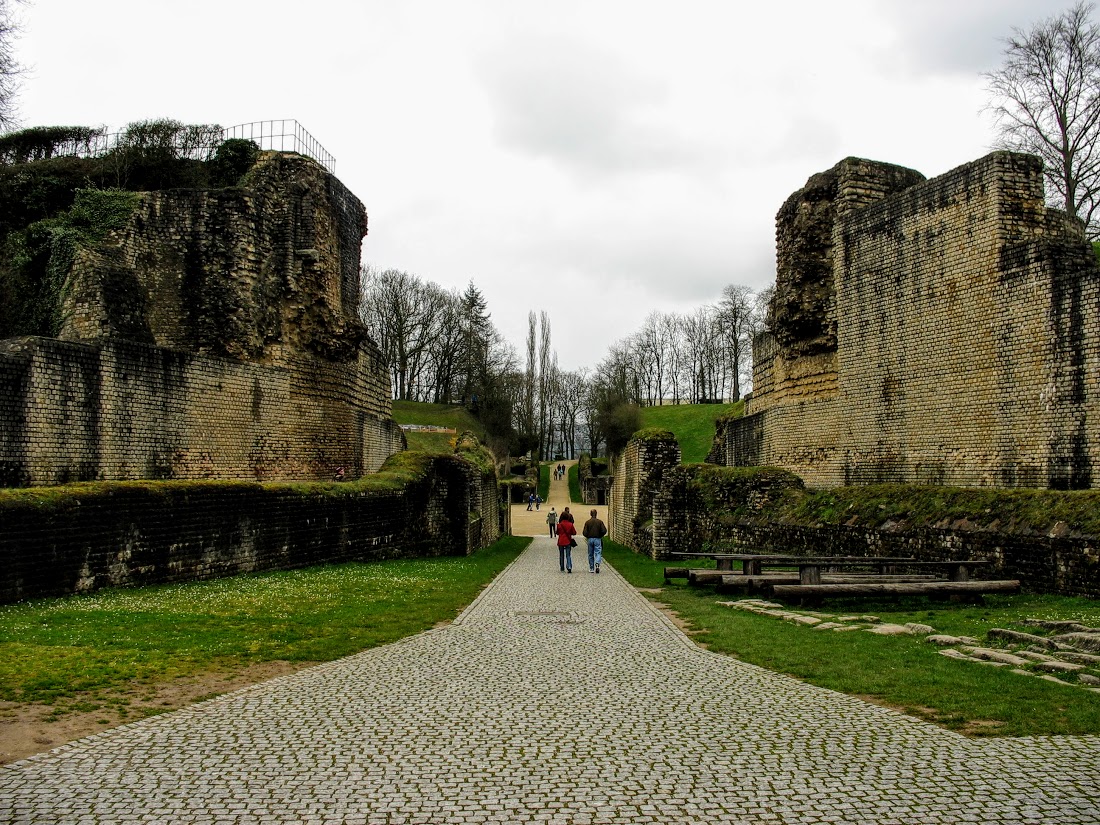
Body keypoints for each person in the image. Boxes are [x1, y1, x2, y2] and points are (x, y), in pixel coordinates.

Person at [583, 508, 608, 573]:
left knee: (590, 554)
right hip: (597, 539)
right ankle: (597, 563)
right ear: (596, 514)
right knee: (598, 552)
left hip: (590, 539)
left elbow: (584, 532)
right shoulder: (600, 522)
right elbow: (604, 530)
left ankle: (591, 568)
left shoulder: (587, 522)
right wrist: (600, 535)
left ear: (590, 514)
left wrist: (588, 536)